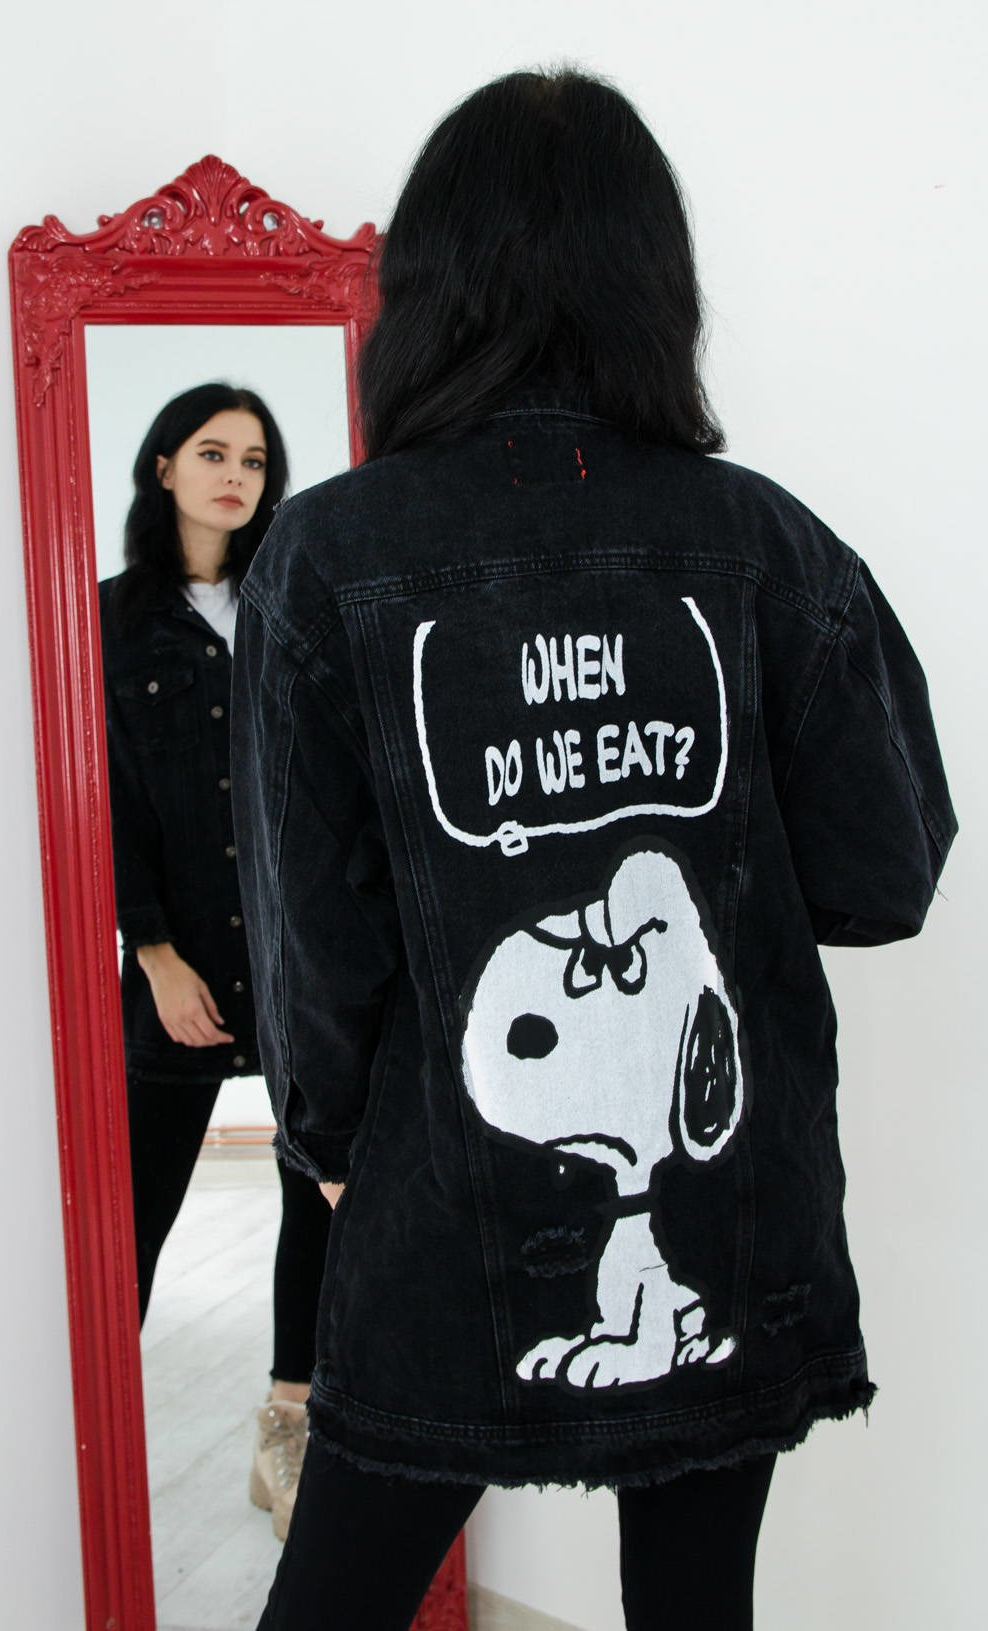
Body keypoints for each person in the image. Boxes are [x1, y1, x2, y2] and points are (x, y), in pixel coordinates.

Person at [230, 70, 957, 1630]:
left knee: (332, 1598)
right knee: (696, 1607)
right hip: (731, 1199)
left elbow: (305, 931)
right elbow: (883, 876)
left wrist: (335, 1145)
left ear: (425, 287)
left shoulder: (326, 555)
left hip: (436, 1201)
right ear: (655, 284)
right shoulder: (769, 542)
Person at [98, 383, 331, 1539]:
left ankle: (289, 1419)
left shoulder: (293, 605)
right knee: (129, 1209)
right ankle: (90, 1434)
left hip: (302, 958)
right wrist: (153, 951)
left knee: (319, 1193)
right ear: (164, 466)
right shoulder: (108, 619)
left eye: (254, 457)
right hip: (180, 960)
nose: (235, 474)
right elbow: (106, 797)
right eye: (211, 451)